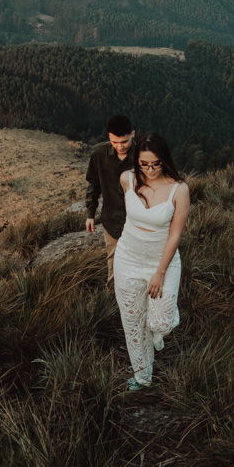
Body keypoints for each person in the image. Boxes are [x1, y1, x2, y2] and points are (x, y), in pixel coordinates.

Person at [113, 131, 190, 391]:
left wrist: (160, 272)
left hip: (161, 261)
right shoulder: (128, 179)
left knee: (160, 322)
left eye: (155, 163)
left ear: (164, 160)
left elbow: (175, 234)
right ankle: (143, 377)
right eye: (144, 164)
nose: (150, 169)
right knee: (133, 322)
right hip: (128, 258)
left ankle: (157, 329)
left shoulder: (179, 190)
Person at [85, 114, 136, 284]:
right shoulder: (99, 154)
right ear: (109, 137)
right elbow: (93, 185)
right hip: (111, 218)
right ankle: (113, 299)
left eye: (124, 142)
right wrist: (90, 214)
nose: (120, 146)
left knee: (138, 262)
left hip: (138, 220)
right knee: (114, 261)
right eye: (115, 142)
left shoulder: (143, 156)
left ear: (133, 134)